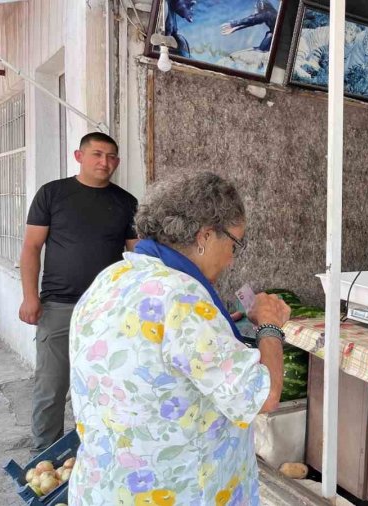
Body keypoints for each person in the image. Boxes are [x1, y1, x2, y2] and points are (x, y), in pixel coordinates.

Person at [68, 172, 290, 505]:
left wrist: (214, 330)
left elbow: (154, 350)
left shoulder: (112, 277)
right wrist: (270, 327)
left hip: (104, 487)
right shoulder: (183, 300)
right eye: (234, 244)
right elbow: (264, 396)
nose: (232, 259)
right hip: (173, 493)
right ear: (205, 236)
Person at [18, 132, 138, 455]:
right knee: (51, 387)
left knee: (104, 385)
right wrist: (30, 296)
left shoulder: (126, 203)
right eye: (97, 154)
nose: (105, 162)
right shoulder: (52, 194)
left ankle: (97, 455)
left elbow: (137, 258)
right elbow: (31, 248)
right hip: (58, 307)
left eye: (112, 156)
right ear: (78, 156)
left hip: (107, 312)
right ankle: (46, 459)